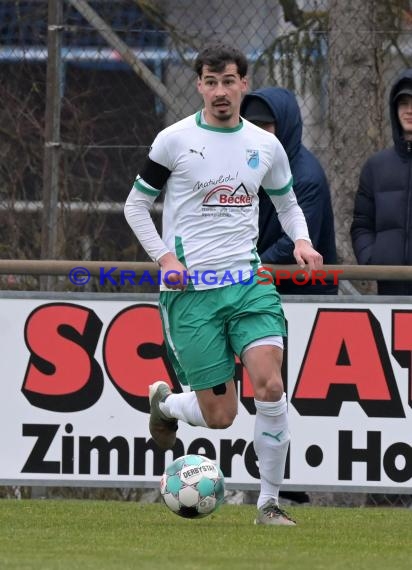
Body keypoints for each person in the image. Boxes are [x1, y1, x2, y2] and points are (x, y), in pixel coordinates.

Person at [124, 43, 323, 526]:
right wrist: (165, 257)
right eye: (210, 82)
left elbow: (287, 203)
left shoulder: (265, 145)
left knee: (271, 385)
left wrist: (302, 240)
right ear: (198, 85)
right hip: (192, 296)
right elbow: (134, 206)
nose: (220, 92)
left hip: (248, 285)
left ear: (243, 84)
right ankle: (167, 403)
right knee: (220, 417)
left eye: (229, 81)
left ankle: (268, 504)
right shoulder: (173, 140)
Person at [240, 87, 338, 295]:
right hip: (260, 285)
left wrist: (244, 272)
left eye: (265, 125)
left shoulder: (306, 177)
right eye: (251, 125)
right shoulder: (251, 164)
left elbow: (291, 245)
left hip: (302, 291)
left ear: (283, 125)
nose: (257, 132)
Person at [351, 69, 412, 295]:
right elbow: (361, 224)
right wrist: (372, 260)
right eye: (403, 103)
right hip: (388, 289)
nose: (409, 110)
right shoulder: (376, 166)